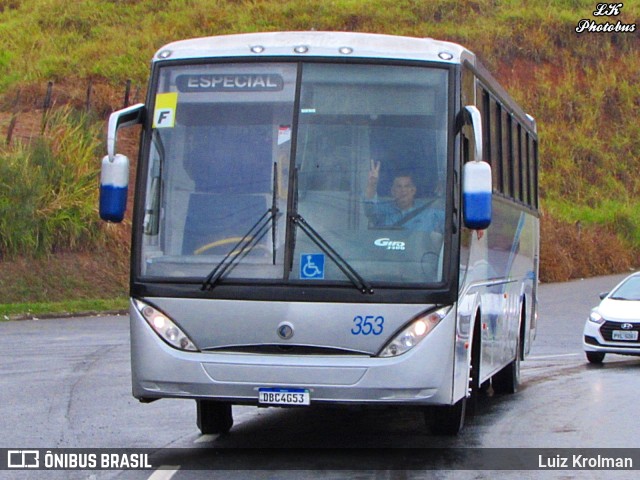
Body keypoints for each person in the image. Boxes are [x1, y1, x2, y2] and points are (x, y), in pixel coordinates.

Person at [363, 160, 444, 240]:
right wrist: (372, 184)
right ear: (393, 191)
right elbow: (369, 208)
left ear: (413, 190)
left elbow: (453, 221)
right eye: (399, 186)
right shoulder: (383, 212)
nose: (403, 190)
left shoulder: (430, 213)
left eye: (407, 186)